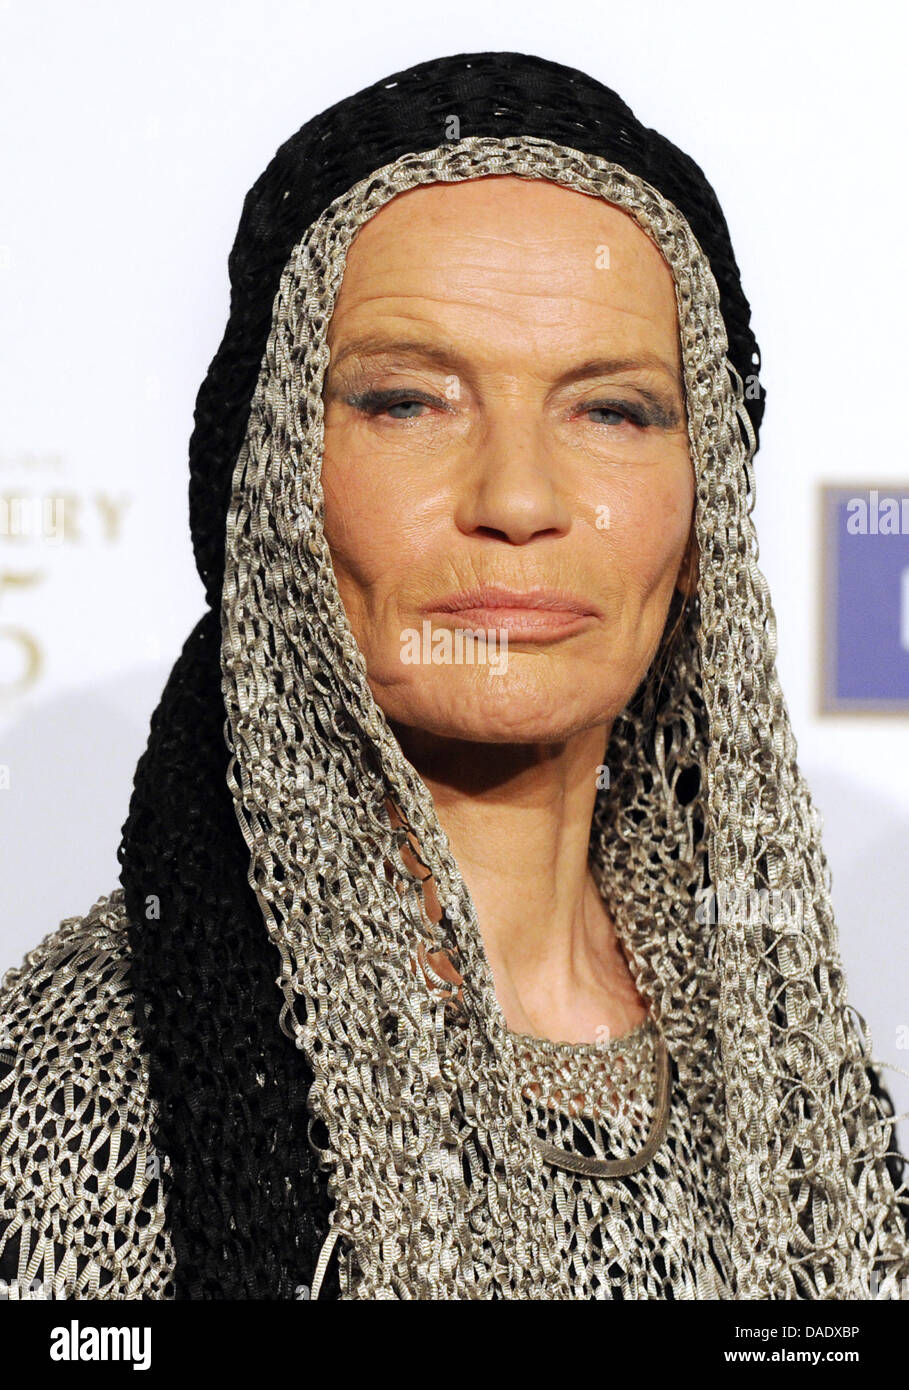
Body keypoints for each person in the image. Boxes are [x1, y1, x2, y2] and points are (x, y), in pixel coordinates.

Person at [1, 50, 907, 1301]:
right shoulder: (73, 1089)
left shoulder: (798, 1082)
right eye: (409, 401)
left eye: (615, 412)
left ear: (706, 520)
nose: (520, 501)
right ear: (267, 486)